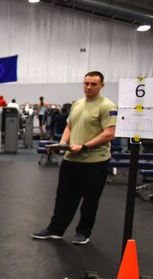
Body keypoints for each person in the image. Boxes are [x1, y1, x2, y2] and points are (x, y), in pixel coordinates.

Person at [32, 72, 116, 245]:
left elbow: (109, 134)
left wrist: (84, 146)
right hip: (71, 159)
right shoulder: (77, 103)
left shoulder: (107, 106)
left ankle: (83, 232)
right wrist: (62, 144)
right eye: (86, 83)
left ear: (102, 85)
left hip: (94, 161)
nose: (89, 87)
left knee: (90, 200)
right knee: (63, 197)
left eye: (93, 84)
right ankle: (55, 229)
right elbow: (69, 127)